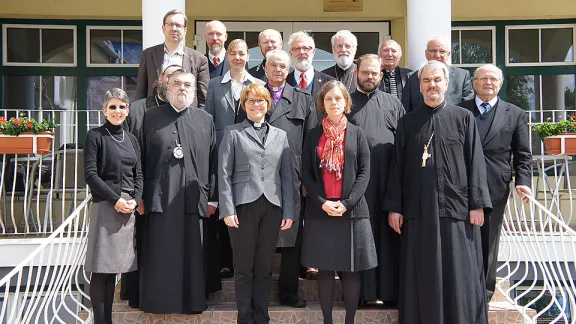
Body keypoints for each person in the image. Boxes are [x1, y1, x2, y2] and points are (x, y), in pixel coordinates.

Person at [384, 60, 491, 324]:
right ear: (419, 86)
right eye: (426, 81)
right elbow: (397, 166)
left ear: (445, 84)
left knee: (458, 271)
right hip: (419, 210)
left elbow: (475, 162)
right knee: (423, 270)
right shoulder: (408, 122)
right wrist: (395, 207)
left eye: (437, 80)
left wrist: (477, 204)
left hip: (457, 210)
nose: (432, 85)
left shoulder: (463, 118)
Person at [138, 69, 217, 314]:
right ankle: (160, 302)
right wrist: (139, 195)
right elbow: (138, 159)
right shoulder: (150, 118)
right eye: (177, 84)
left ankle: (193, 301)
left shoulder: (206, 120)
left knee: (193, 252)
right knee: (162, 253)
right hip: (159, 198)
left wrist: (213, 196)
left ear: (194, 91)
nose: (182, 88)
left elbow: (214, 161)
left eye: (187, 85)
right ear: (168, 88)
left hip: (194, 199)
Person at [301, 80, 377, 324]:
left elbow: (365, 172)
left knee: (351, 269)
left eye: (338, 98)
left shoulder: (357, 134)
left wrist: (347, 203)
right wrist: (322, 202)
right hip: (320, 211)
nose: (334, 102)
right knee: (325, 269)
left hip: (352, 212)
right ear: (322, 104)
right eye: (328, 99)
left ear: (346, 102)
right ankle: (327, 320)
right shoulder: (313, 135)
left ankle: (350, 320)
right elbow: (306, 174)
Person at [219, 84, 295, 324]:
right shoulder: (232, 133)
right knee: (243, 266)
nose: (256, 105)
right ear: (244, 105)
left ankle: (262, 317)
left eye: (260, 101)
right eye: (250, 101)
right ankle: (245, 317)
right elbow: (223, 174)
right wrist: (227, 209)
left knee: (264, 266)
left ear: (267, 104)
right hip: (243, 207)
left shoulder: (280, 136)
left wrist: (289, 211)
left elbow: (286, 176)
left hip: (272, 207)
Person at [458, 64, 532, 300]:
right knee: (461, 237)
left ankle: (485, 291)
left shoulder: (515, 114)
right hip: (460, 186)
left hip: (495, 188)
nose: (488, 83)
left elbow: (523, 154)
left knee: (489, 240)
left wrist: (524, 181)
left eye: (493, 79)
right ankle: (463, 287)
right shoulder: (459, 111)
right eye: (483, 79)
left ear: (500, 84)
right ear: (474, 83)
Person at [119, 63, 180, 308]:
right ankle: (137, 295)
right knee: (140, 244)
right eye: (170, 76)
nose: (173, 81)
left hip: (171, 192)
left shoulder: (182, 109)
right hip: (142, 190)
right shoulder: (138, 109)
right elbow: (128, 152)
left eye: (179, 76)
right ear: (160, 79)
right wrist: (136, 192)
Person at [205, 39, 265, 281]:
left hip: (249, 154)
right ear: (227, 56)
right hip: (221, 152)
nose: (238, 57)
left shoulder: (259, 84)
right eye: (233, 53)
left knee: (245, 207)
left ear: (248, 57)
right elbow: (209, 122)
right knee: (224, 204)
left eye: (242, 53)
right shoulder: (214, 85)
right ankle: (226, 262)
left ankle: (249, 262)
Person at [348, 54, 405, 305]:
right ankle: (361, 294)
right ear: (355, 74)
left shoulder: (394, 105)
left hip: (388, 183)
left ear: (381, 76)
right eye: (365, 72)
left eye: (374, 73)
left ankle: (389, 293)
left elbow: (403, 147)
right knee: (360, 238)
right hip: (356, 185)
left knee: (388, 238)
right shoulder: (345, 104)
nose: (370, 76)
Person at [84, 88, 143, 324]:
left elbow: (139, 174)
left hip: (127, 209)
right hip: (107, 206)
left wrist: (135, 200)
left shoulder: (132, 140)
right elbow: (90, 175)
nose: (117, 111)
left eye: (121, 106)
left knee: (115, 270)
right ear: (104, 110)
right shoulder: (95, 136)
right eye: (112, 107)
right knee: (101, 270)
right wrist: (115, 199)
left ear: (128, 110)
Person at [264, 49, 317, 308]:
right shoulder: (253, 96)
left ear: (289, 70)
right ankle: (259, 292)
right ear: (265, 67)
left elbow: (311, 144)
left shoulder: (303, 99)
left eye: (283, 66)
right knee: (261, 237)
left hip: (292, 177)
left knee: (291, 240)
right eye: (273, 65)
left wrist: (308, 180)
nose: (278, 70)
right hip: (260, 178)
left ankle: (289, 292)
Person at [135, 9, 209, 108]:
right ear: (163, 28)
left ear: (185, 30)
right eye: (170, 24)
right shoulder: (148, 54)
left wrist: (198, 119)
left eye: (179, 25)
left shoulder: (199, 59)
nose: (174, 28)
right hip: (154, 112)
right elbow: (141, 89)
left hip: (187, 114)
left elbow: (203, 97)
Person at [401, 36, 474, 112]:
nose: (437, 55)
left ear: (448, 54)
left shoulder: (462, 76)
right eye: (433, 51)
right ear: (426, 54)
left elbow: (468, 108)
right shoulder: (412, 77)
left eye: (442, 51)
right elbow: (405, 109)